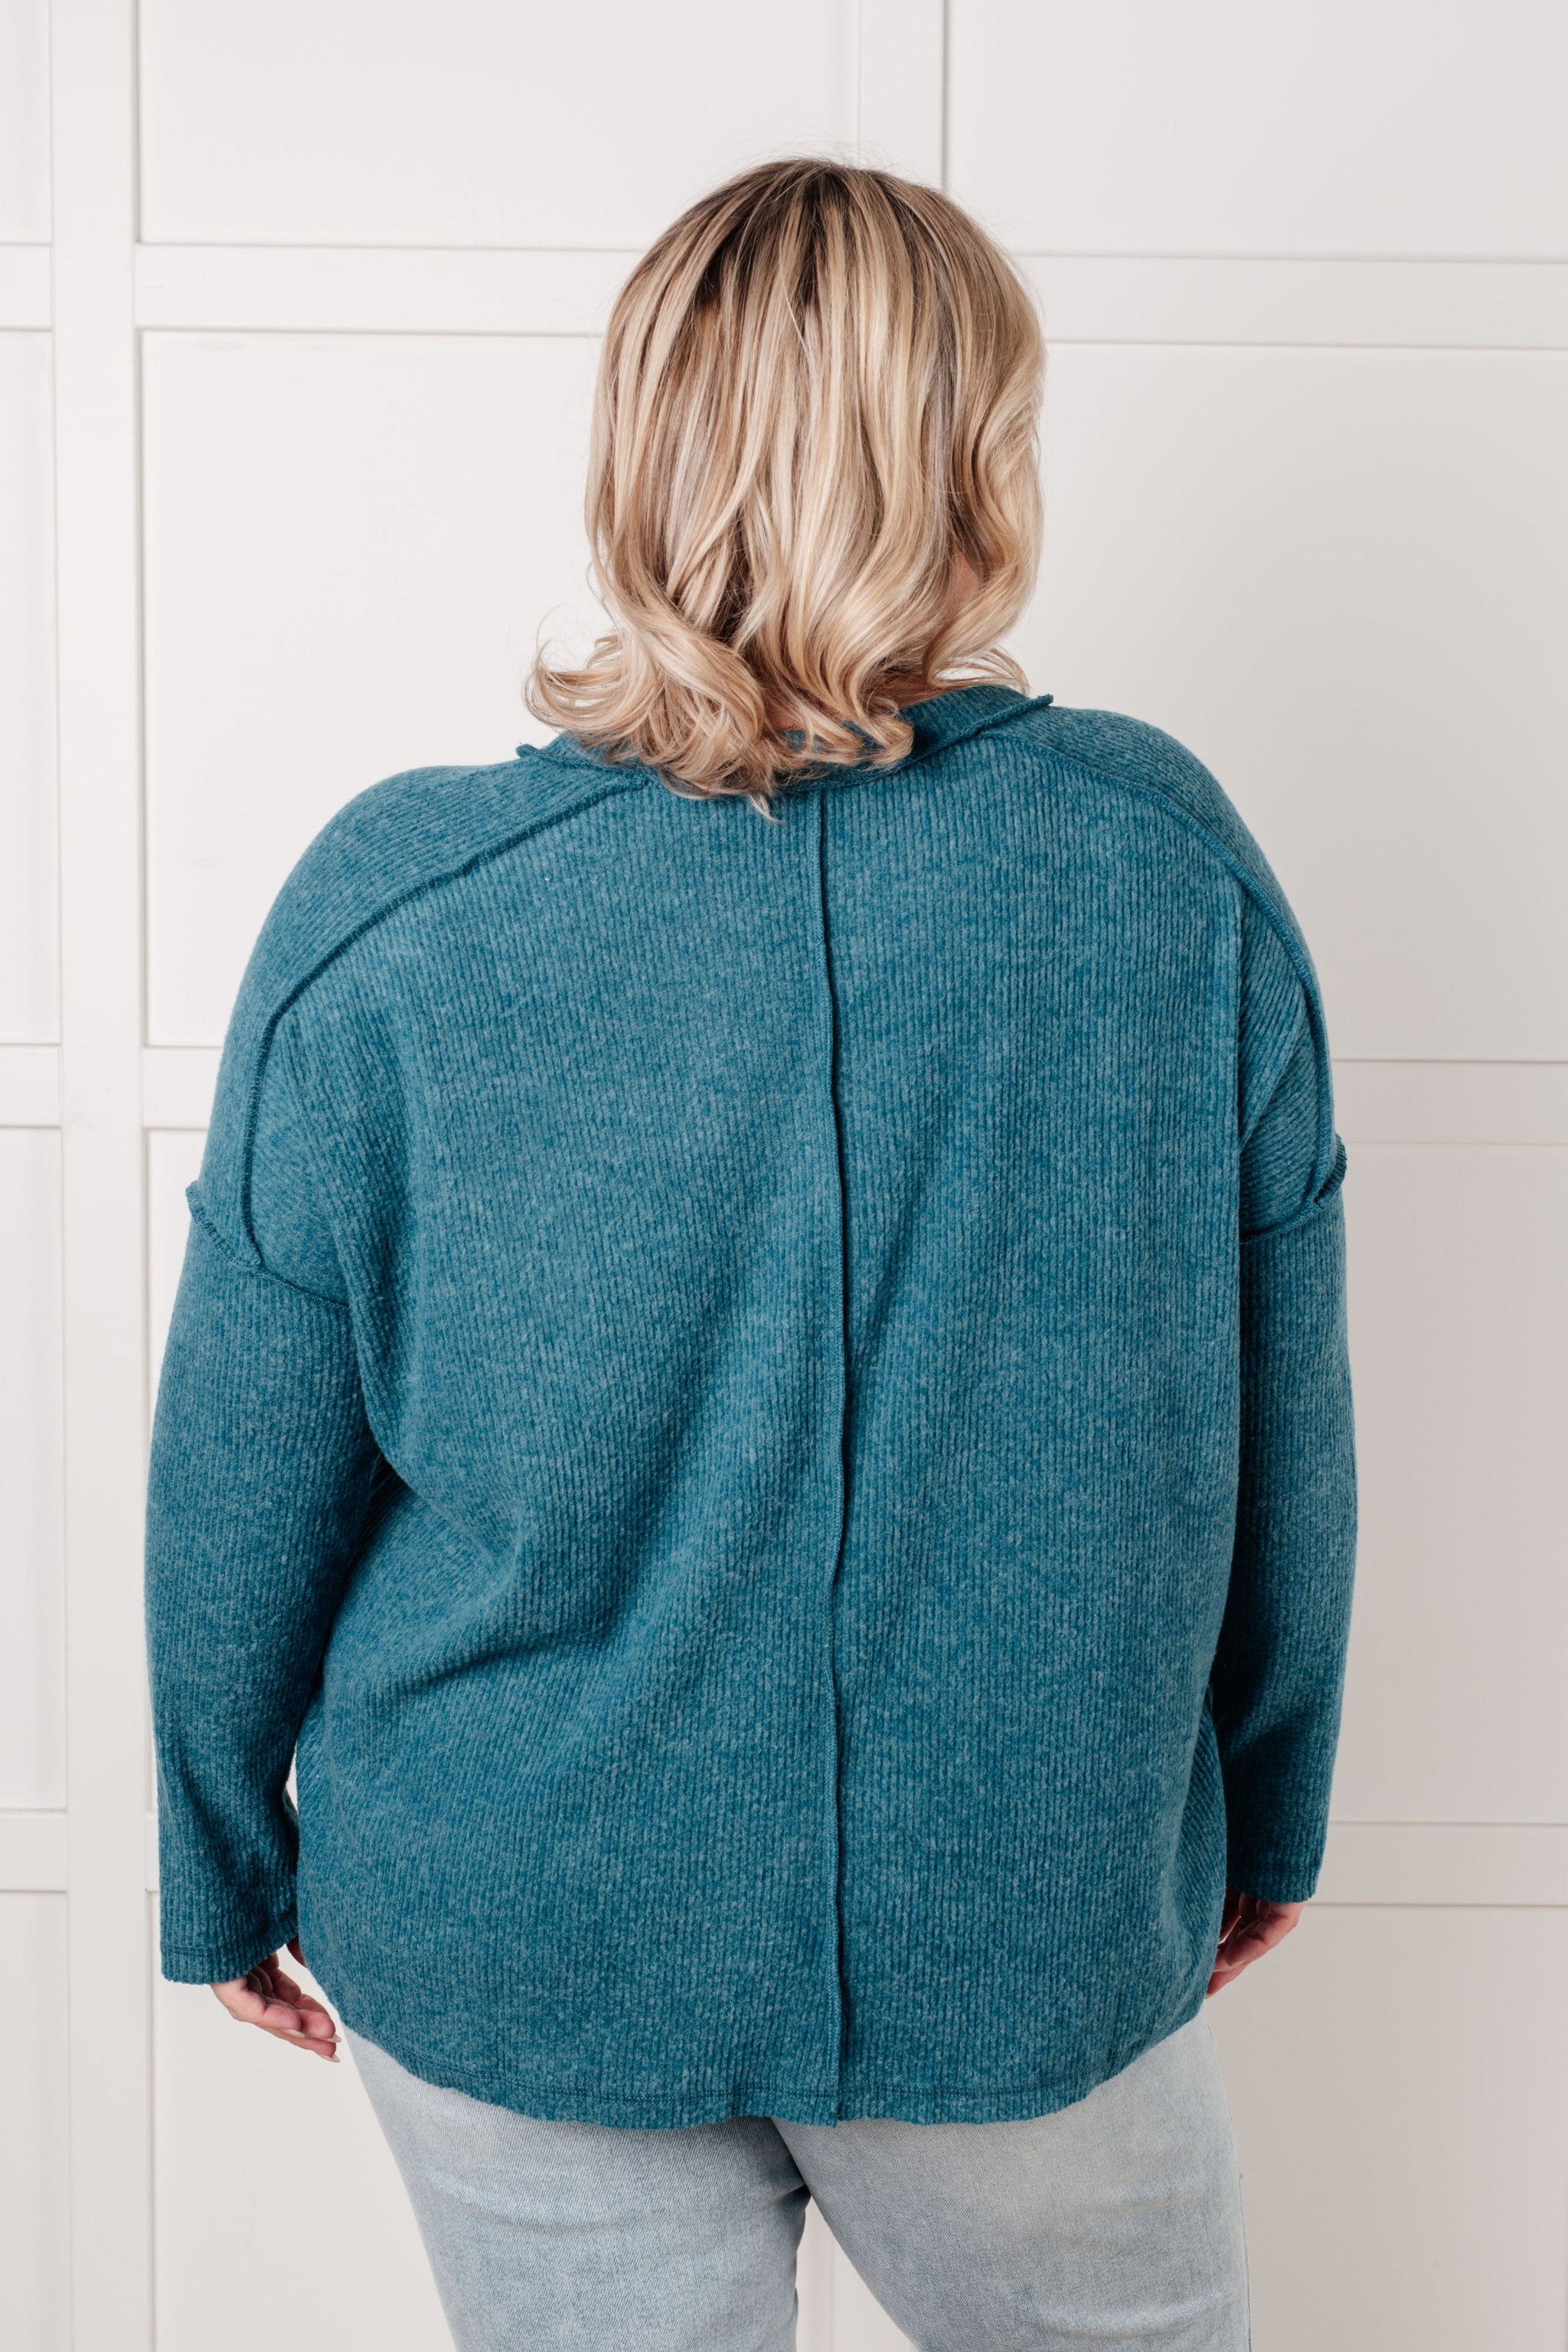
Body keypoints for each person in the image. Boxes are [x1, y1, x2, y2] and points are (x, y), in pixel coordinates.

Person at [145, 158, 1356, 2351]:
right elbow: (1282, 1426)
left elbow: (246, 1469)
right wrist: (1263, 1814)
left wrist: (216, 1857)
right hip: (1022, 1914)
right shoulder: (1162, 867)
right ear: (973, 465)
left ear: (642, 452)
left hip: (518, 1919)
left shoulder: (392, 904)